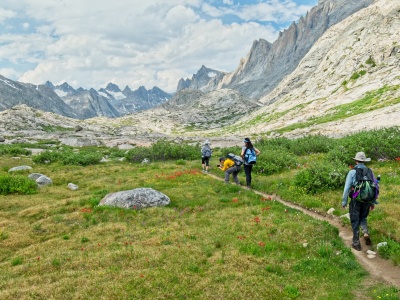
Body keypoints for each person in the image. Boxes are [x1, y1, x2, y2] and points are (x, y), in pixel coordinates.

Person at [341, 151, 379, 251]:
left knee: (355, 220)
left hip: (355, 199)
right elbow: (375, 186)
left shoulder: (352, 172)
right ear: (364, 161)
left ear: (356, 161)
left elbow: (346, 188)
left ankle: (356, 243)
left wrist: (344, 202)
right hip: (367, 200)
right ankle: (365, 231)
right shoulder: (370, 171)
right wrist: (372, 202)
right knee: (363, 217)